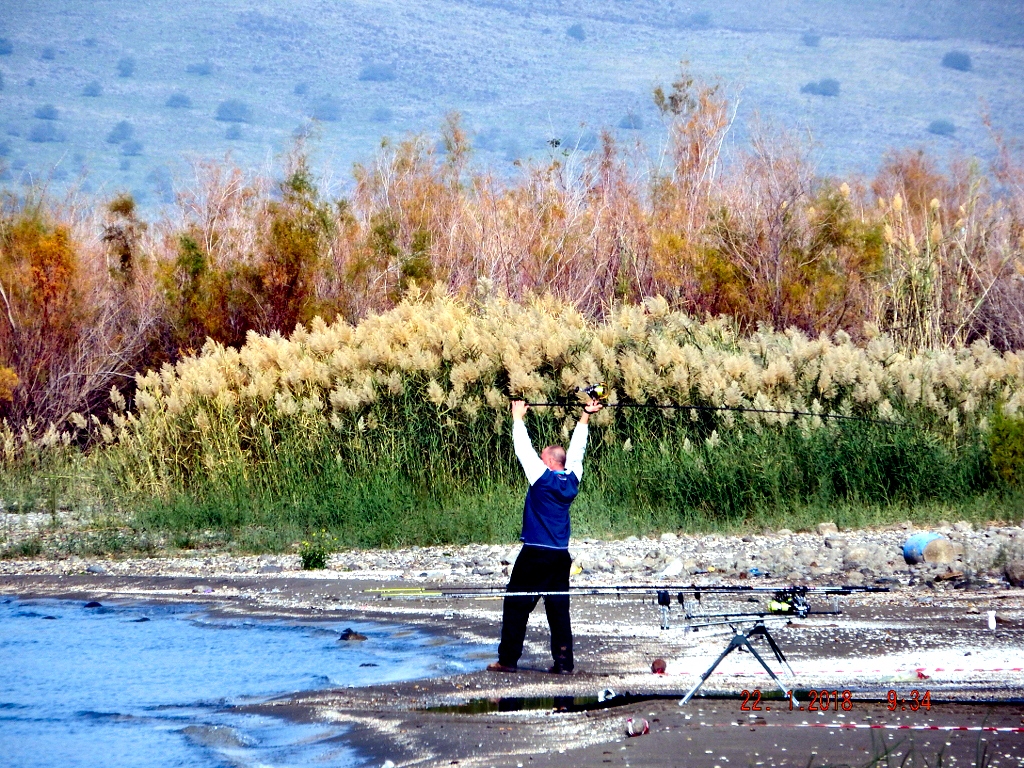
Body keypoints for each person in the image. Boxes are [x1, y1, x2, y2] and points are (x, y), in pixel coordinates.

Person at [486, 397, 602, 674]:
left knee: (516, 605)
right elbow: (578, 452)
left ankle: (508, 660)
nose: (538, 459)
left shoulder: (542, 477)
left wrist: (517, 418)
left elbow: (523, 450)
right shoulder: (572, 479)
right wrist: (585, 417)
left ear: (549, 461)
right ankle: (564, 664)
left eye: (542, 458)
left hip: (536, 553)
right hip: (560, 555)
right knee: (558, 610)